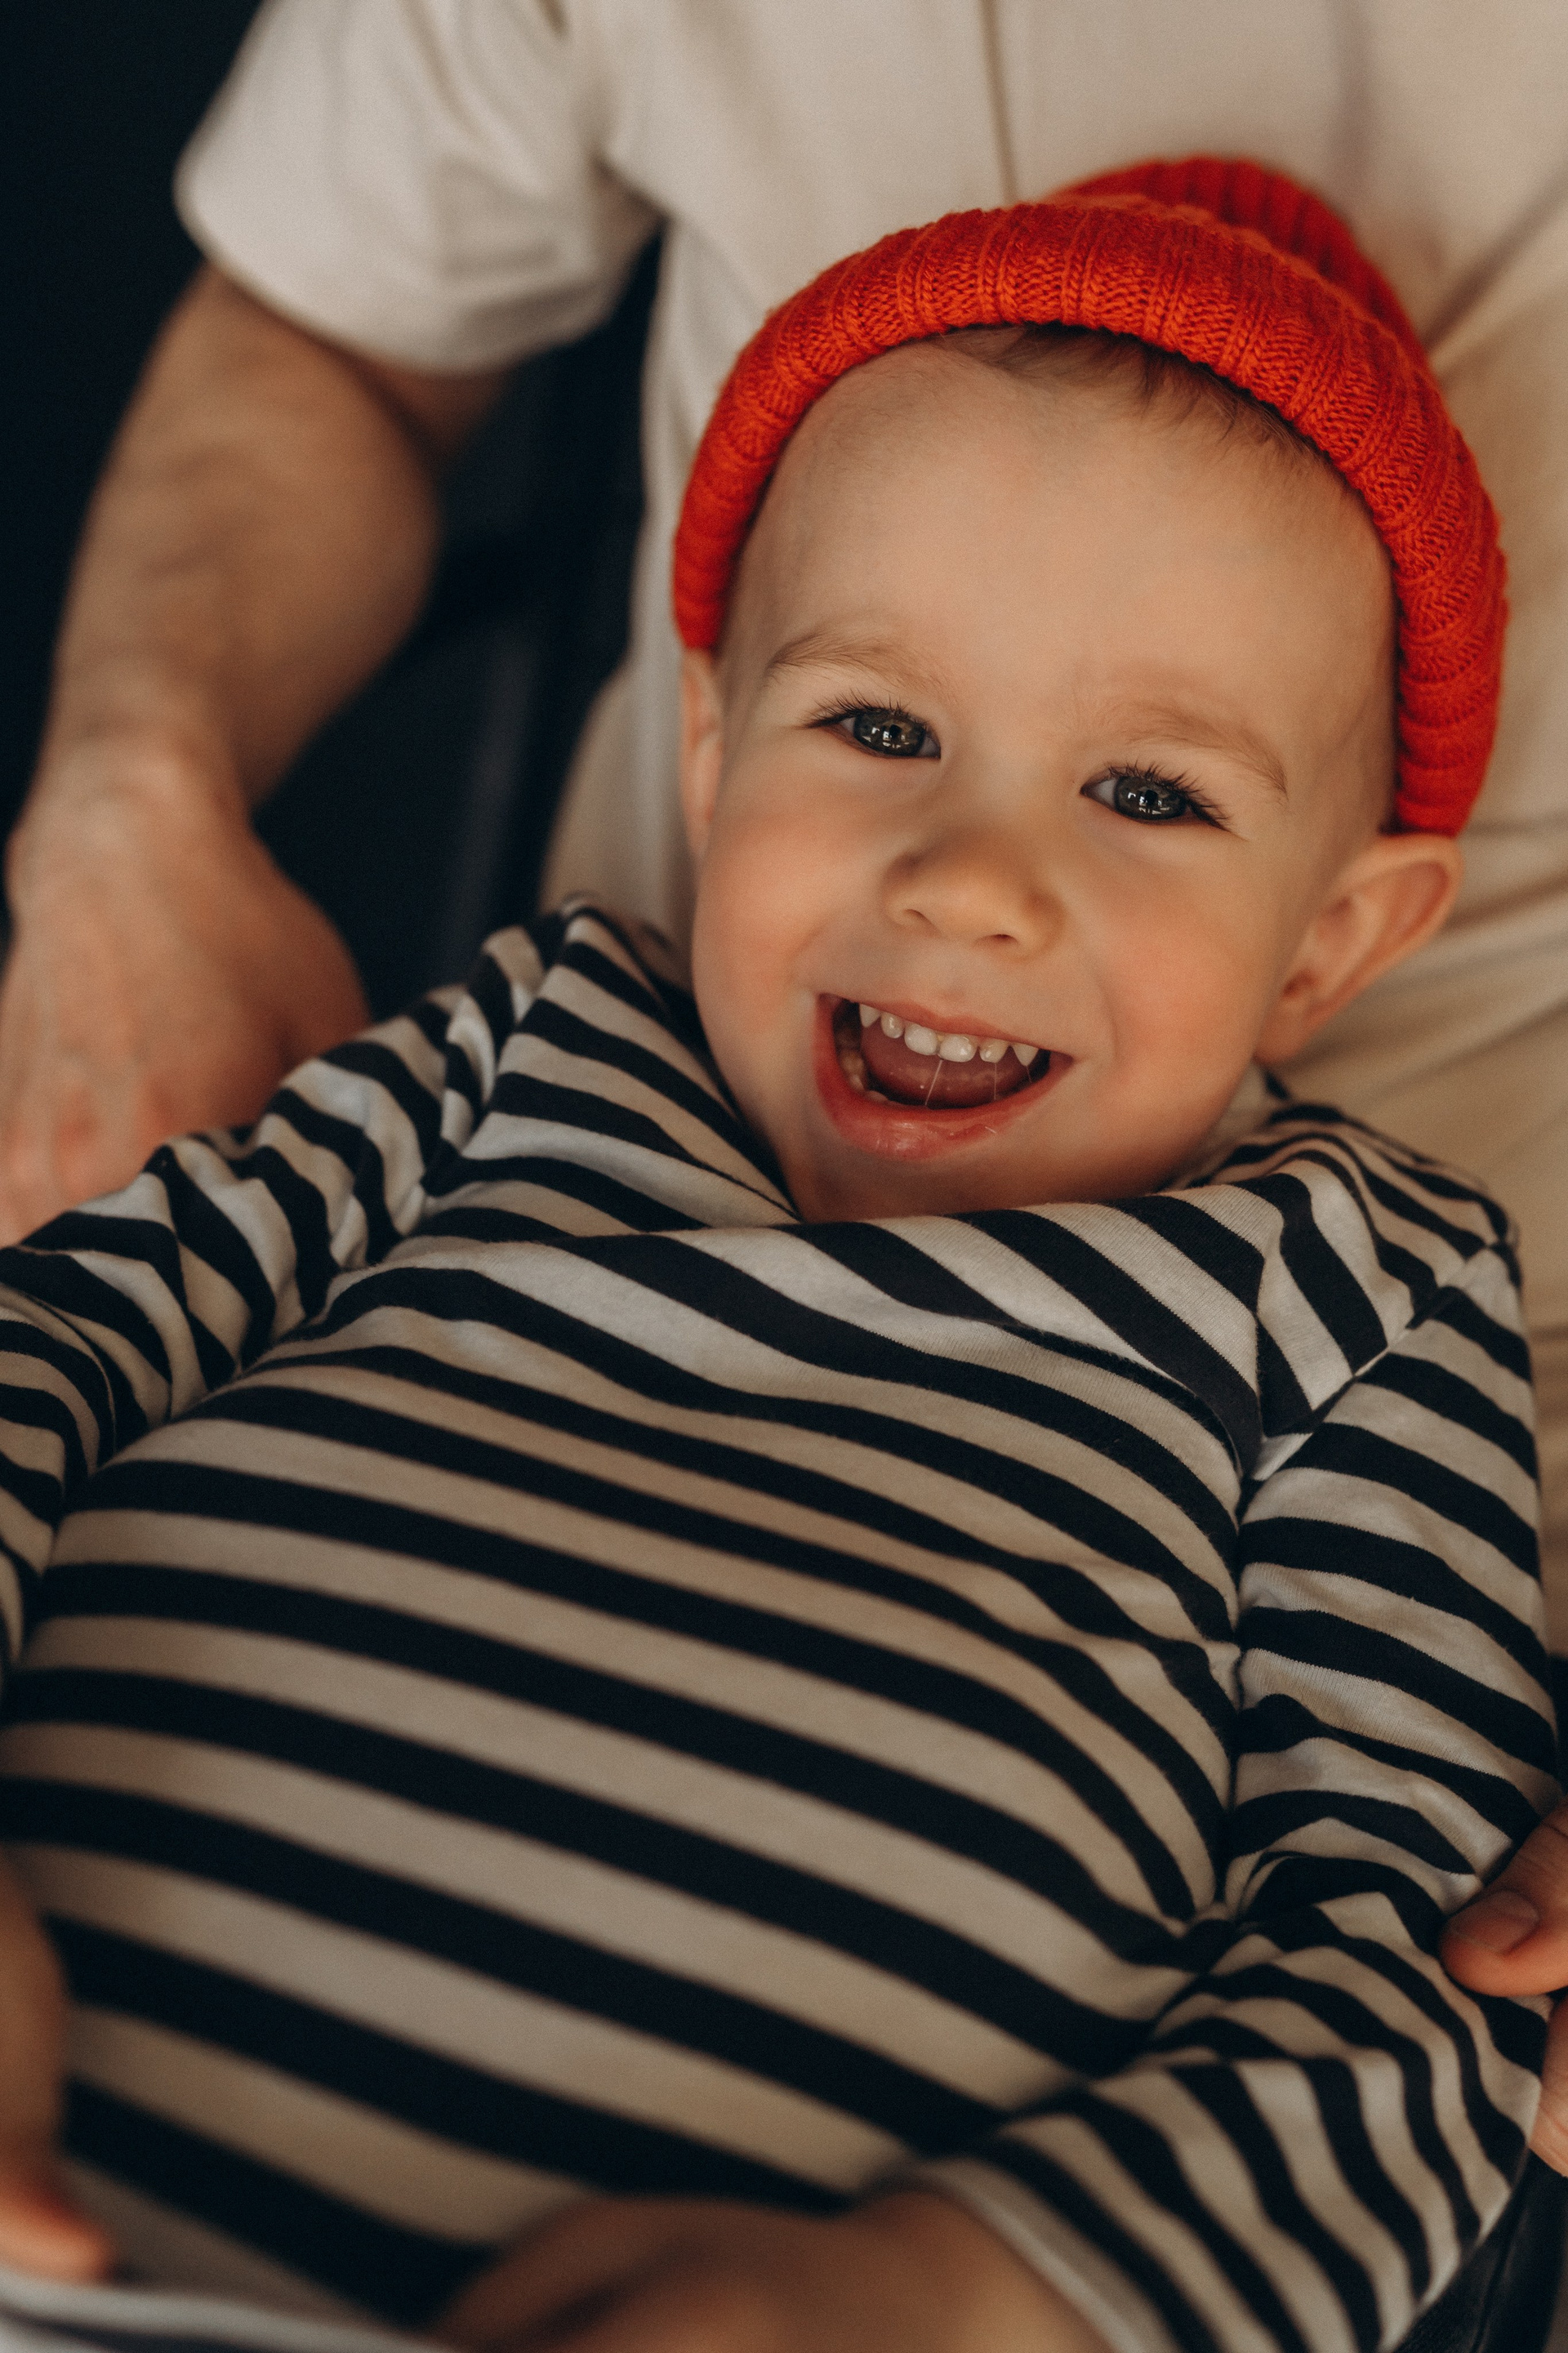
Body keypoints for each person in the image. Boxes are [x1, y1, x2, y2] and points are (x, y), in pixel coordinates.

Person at [0, 160, 1555, 2353]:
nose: (970, 879)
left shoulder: (1353, 1290)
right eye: (880, 729)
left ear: (1334, 939)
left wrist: (963, 2296)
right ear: (714, 750)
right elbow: (46, 1352)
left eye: (1149, 794)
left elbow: (1426, 1950)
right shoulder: (523, 1048)